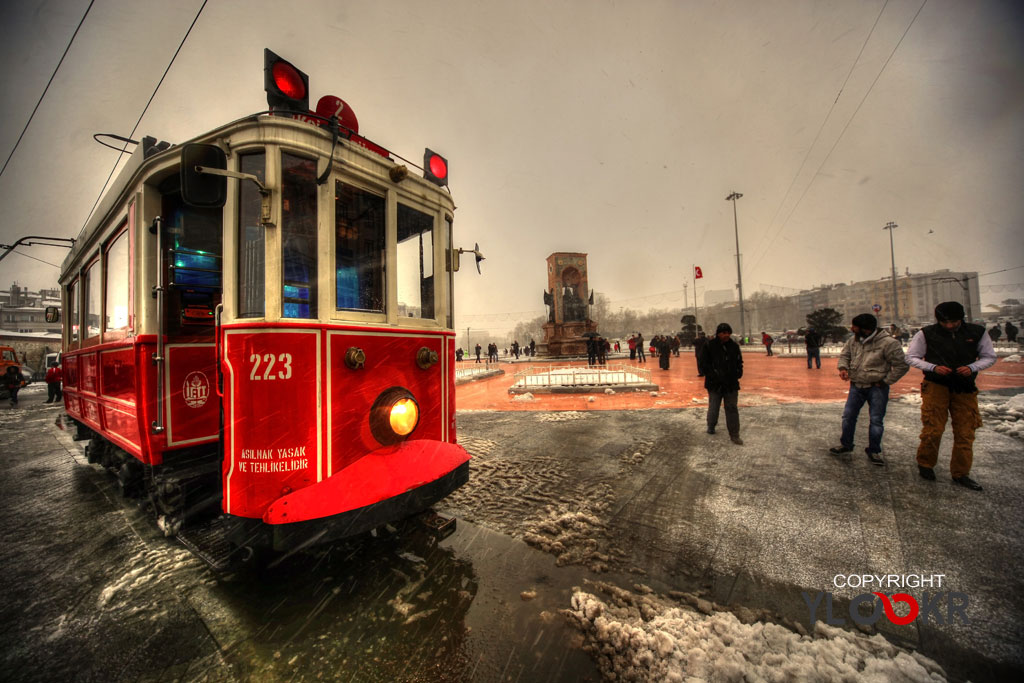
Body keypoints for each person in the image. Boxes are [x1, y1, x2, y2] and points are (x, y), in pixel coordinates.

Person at [907, 301, 996, 491]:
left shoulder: (977, 332)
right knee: (933, 427)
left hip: (964, 387)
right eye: (944, 322)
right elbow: (912, 356)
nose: (949, 326)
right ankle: (925, 464)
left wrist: (972, 367)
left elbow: (989, 356)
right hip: (936, 384)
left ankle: (961, 473)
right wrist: (933, 367)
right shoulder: (926, 333)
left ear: (961, 318)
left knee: (966, 431)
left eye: (953, 322)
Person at [828, 314, 909, 465]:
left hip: (877, 387)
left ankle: (874, 450)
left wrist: (885, 381)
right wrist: (843, 368)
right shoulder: (854, 341)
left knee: (876, 420)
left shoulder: (888, 343)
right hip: (856, 385)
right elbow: (844, 355)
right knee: (848, 417)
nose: (851, 329)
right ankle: (846, 444)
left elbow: (901, 365)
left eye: (854, 326)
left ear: (865, 329)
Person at [698, 323, 743, 445]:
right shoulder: (709, 346)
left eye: (728, 333)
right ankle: (711, 424)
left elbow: (739, 361)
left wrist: (738, 372)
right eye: (724, 333)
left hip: (731, 383)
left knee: (732, 408)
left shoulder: (733, 346)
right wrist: (712, 374)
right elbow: (703, 363)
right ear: (718, 333)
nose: (726, 335)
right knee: (714, 406)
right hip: (715, 383)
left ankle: (734, 434)